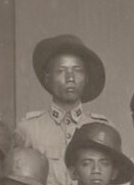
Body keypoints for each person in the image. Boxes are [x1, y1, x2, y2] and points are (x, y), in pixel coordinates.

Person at [17, 33, 105, 163]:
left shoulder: (102, 128)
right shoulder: (28, 129)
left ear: (86, 78)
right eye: (61, 71)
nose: (70, 78)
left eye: (77, 70)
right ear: (47, 78)